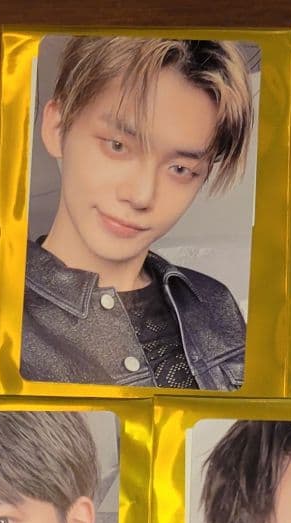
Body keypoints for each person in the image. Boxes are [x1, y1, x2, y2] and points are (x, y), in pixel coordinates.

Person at [22, 36, 254, 390]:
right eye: (118, 146)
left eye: (180, 169)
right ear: (56, 128)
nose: (142, 195)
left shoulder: (213, 302)